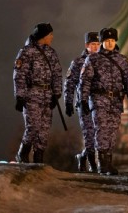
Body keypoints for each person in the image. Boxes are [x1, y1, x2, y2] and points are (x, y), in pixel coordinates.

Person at [78, 27, 128, 175]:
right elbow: (84, 81)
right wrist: (83, 100)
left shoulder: (122, 60)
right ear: (102, 42)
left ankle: (108, 162)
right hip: (99, 99)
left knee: (112, 131)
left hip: (116, 100)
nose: (110, 43)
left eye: (112, 40)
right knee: (102, 130)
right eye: (107, 41)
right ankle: (102, 164)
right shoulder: (93, 59)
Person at [13, 22, 63, 163]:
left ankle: (38, 157)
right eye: (50, 34)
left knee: (44, 129)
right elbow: (19, 75)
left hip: (48, 95)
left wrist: (56, 94)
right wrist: (20, 96)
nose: (52, 37)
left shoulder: (51, 53)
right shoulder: (26, 52)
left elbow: (57, 74)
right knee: (33, 126)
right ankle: (23, 153)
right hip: (32, 95)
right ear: (43, 35)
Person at [63, 32, 101, 172]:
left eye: (98, 44)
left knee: (100, 136)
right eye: (93, 44)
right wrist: (68, 102)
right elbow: (70, 84)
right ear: (87, 45)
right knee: (89, 135)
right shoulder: (78, 62)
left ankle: (83, 156)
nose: (96, 47)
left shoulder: (103, 61)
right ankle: (93, 165)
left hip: (100, 104)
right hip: (84, 104)